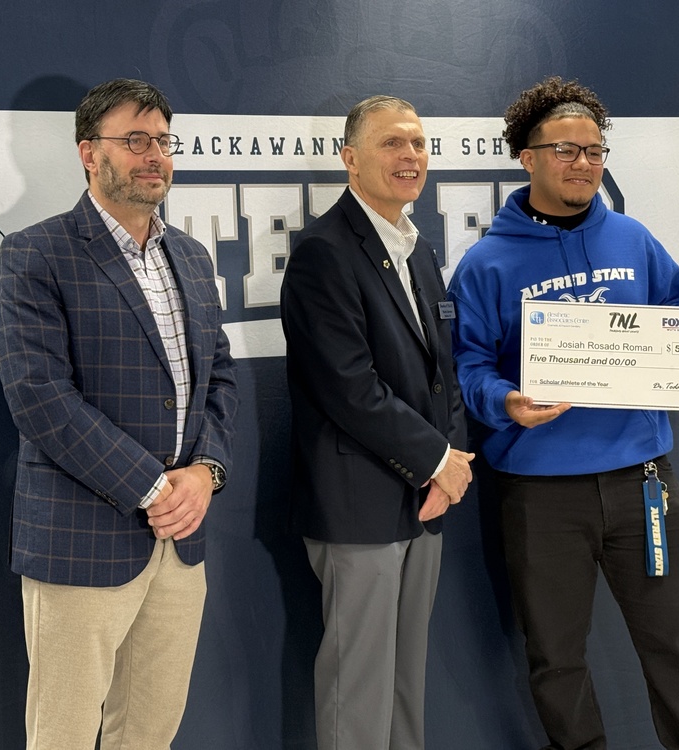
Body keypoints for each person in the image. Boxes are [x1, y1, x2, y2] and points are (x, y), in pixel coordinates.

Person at [447, 77, 679, 750]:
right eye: (565, 150)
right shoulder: (487, 263)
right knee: (557, 659)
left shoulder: (634, 240)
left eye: (594, 150)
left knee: (677, 649)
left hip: (643, 485)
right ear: (527, 156)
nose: (582, 163)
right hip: (543, 496)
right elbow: (469, 368)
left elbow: (675, 316)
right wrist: (507, 402)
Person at [0, 78, 238, 750]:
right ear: (87, 153)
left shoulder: (189, 256)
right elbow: (41, 398)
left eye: (162, 140)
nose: (153, 154)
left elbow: (221, 377)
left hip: (180, 543)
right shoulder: (33, 255)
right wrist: (156, 487)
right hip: (81, 536)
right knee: (63, 733)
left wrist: (206, 472)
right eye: (134, 139)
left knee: (150, 733)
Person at [280, 95, 473, 750]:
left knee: (404, 685)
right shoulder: (323, 253)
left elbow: (442, 372)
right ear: (350, 158)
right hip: (359, 505)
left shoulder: (418, 250)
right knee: (357, 690)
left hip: (425, 501)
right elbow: (349, 387)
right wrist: (437, 461)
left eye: (418, 143)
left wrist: (451, 465)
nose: (411, 156)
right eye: (392, 143)